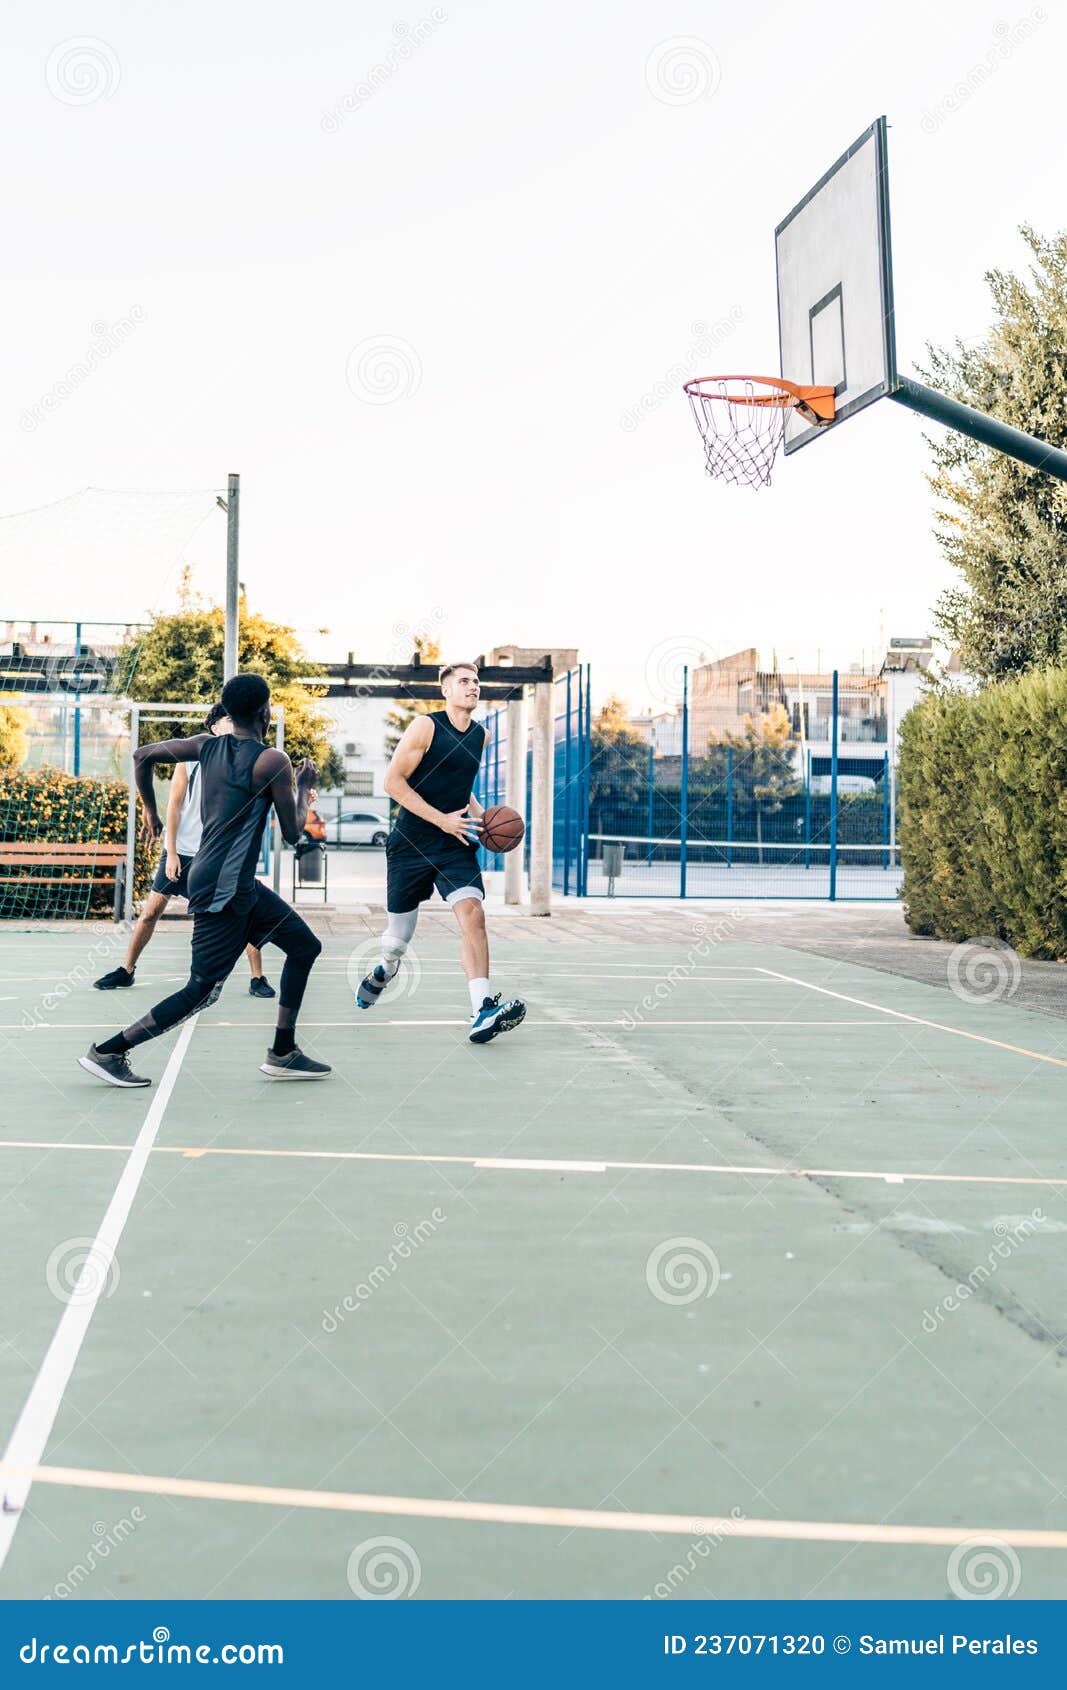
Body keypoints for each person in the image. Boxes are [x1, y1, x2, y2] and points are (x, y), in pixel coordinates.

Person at [79, 672, 330, 1087]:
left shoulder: (205, 746)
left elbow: (142, 755)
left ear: (229, 711)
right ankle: (108, 1052)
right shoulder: (272, 761)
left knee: (305, 946)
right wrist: (303, 788)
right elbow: (292, 832)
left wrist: (150, 810)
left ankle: (283, 1051)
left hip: (234, 883)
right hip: (223, 888)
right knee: (201, 989)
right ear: (266, 711)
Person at [356, 660, 525, 1044]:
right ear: (445, 690)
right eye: (464, 681)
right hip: (411, 844)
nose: (473, 687)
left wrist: (484, 821)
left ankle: (482, 1011)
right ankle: (384, 968)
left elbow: (460, 786)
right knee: (397, 940)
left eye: (476, 681)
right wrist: (440, 820)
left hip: (454, 844)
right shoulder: (425, 726)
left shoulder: (480, 735)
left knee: (474, 915)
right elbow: (393, 783)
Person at [93, 703, 276, 998]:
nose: (234, 723)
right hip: (185, 850)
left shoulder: (248, 758)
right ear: (214, 727)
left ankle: (257, 977)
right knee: (151, 911)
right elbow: (175, 805)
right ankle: (126, 970)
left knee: (240, 914)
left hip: (219, 854)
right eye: (228, 719)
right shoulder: (194, 756)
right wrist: (173, 851)